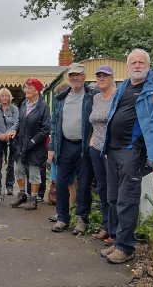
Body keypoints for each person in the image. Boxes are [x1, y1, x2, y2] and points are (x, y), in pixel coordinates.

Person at [101, 48, 153, 264]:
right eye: (133, 63)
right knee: (112, 198)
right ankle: (118, 240)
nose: (137, 66)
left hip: (132, 150)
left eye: (141, 62)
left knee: (127, 200)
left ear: (147, 66)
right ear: (128, 66)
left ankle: (126, 247)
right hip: (113, 150)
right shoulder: (124, 87)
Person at [48, 63, 96, 234]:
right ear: (68, 77)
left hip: (84, 146)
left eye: (79, 75)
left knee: (83, 184)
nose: (75, 78)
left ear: (84, 76)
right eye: (72, 75)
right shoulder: (61, 98)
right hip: (65, 144)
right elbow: (54, 124)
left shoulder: (92, 95)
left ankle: (81, 219)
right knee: (60, 182)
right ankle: (62, 218)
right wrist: (52, 146)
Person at [9, 78, 50, 210]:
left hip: (35, 145)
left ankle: (34, 198)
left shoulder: (44, 107)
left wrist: (33, 141)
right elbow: (21, 122)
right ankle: (22, 195)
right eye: (26, 87)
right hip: (20, 143)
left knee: (34, 173)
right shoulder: (24, 104)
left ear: (37, 90)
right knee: (18, 169)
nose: (26, 90)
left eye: (30, 88)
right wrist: (15, 130)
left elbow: (46, 129)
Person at [87, 65, 117, 241]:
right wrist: (91, 142)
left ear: (112, 77)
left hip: (111, 150)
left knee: (114, 190)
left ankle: (115, 231)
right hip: (95, 148)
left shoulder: (117, 96)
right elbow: (94, 122)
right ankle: (106, 226)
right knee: (102, 188)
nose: (101, 78)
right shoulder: (97, 98)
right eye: (98, 76)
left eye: (105, 75)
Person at [0, 88, 19, 196]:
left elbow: (17, 123)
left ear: (9, 97)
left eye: (6, 96)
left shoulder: (14, 109)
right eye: (2, 96)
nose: (4, 98)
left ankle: (10, 186)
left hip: (11, 140)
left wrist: (7, 134)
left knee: (10, 163)